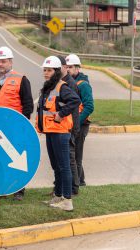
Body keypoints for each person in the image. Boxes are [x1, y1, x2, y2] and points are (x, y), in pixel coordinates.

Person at [0, 46, 34, 201]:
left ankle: (18, 189)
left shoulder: (21, 79)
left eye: (3, 61)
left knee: (16, 159)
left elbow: (28, 104)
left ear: (11, 62)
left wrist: (21, 124)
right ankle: (0, 188)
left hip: (14, 128)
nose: (0, 64)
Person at [36, 56, 80, 211]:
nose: (46, 73)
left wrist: (61, 114)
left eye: (49, 70)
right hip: (50, 131)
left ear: (56, 71)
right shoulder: (48, 87)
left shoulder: (62, 86)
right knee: (56, 166)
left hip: (60, 132)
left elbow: (75, 101)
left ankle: (67, 200)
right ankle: (58, 196)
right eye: (45, 70)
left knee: (64, 166)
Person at [66, 54, 94, 187]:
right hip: (72, 124)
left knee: (76, 155)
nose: (68, 70)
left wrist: (77, 122)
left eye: (70, 67)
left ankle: (77, 184)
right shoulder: (69, 83)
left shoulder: (84, 85)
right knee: (73, 154)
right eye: (66, 67)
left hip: (81, 125)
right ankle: (81, 180)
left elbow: (89, 106)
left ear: (77, 68)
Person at [57, 55, 81, 196]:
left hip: (70, 126)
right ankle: (61, 187)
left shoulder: (69, 83)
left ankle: (74, 188)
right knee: (63, 159)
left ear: (65, 67)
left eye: (57, 67)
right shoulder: (60, 82)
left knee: (70, 158)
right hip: (63, 126)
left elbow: (74, 107)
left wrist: (73, 128)